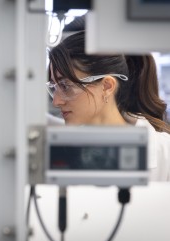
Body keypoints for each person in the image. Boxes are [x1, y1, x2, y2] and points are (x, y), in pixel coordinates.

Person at [47, 30, 170, 181]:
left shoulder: (165, 152)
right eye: (53, 87)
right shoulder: (60, 155)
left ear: (106, 86)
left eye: (65, 86)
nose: (56, 101)